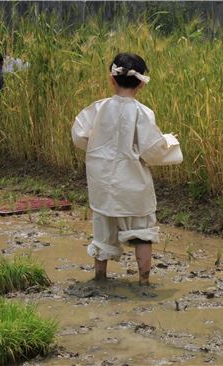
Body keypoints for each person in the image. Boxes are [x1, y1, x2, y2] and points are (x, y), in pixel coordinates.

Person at [72, 53, 183, 285]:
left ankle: (100, 277)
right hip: (133, 184)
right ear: (141, 83)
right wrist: (170, 141)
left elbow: (80, 134)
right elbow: (151, 150)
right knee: (142, 232)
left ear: (112, 79)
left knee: (103, 229)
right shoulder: (142, 113)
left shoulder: (98, 109)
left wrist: (97, 146)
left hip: (102, 182)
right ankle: (143, 282)